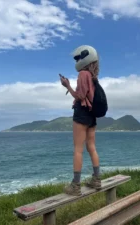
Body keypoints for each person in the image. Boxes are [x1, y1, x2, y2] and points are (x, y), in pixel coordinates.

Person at [60, 45, 102, 196]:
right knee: (91, 146)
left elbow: (80, 96)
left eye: (78, 58)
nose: (77, 60)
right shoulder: (93, 76)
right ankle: (97, 179)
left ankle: (75, 185)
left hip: (82, 113)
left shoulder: (83, 74)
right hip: (91, 115)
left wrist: (68, 86)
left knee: (78, 149)